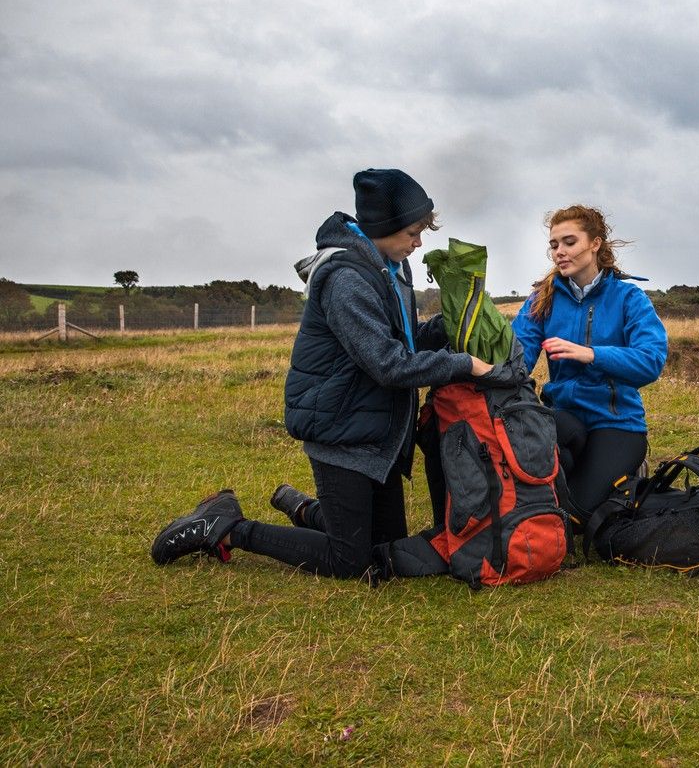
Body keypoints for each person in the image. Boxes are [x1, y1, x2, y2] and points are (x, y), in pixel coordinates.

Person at [151, 168, 493, 580]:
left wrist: (452, 324)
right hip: (340, 428)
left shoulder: (393, 268)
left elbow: (402, 340)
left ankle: (302, 508)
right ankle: (225, 527)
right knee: (350, 562)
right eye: (412, 232)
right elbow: (388, 363)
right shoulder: (348, 280)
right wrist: (463, 364)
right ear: (384, 226)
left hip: (375, 431)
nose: (419, 243)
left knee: (386, 546)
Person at [512, 205, 668, 524]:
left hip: (616, 423)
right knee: (535, 502)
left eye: (570, 242)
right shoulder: (543, 298)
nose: (560, 252)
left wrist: (592, 354)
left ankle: (627, 473)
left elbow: (650, 361)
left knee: (574, 517)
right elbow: (517, 359)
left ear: (595, 244)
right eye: (554, 245)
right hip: (564, 418)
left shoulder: (629, 298)